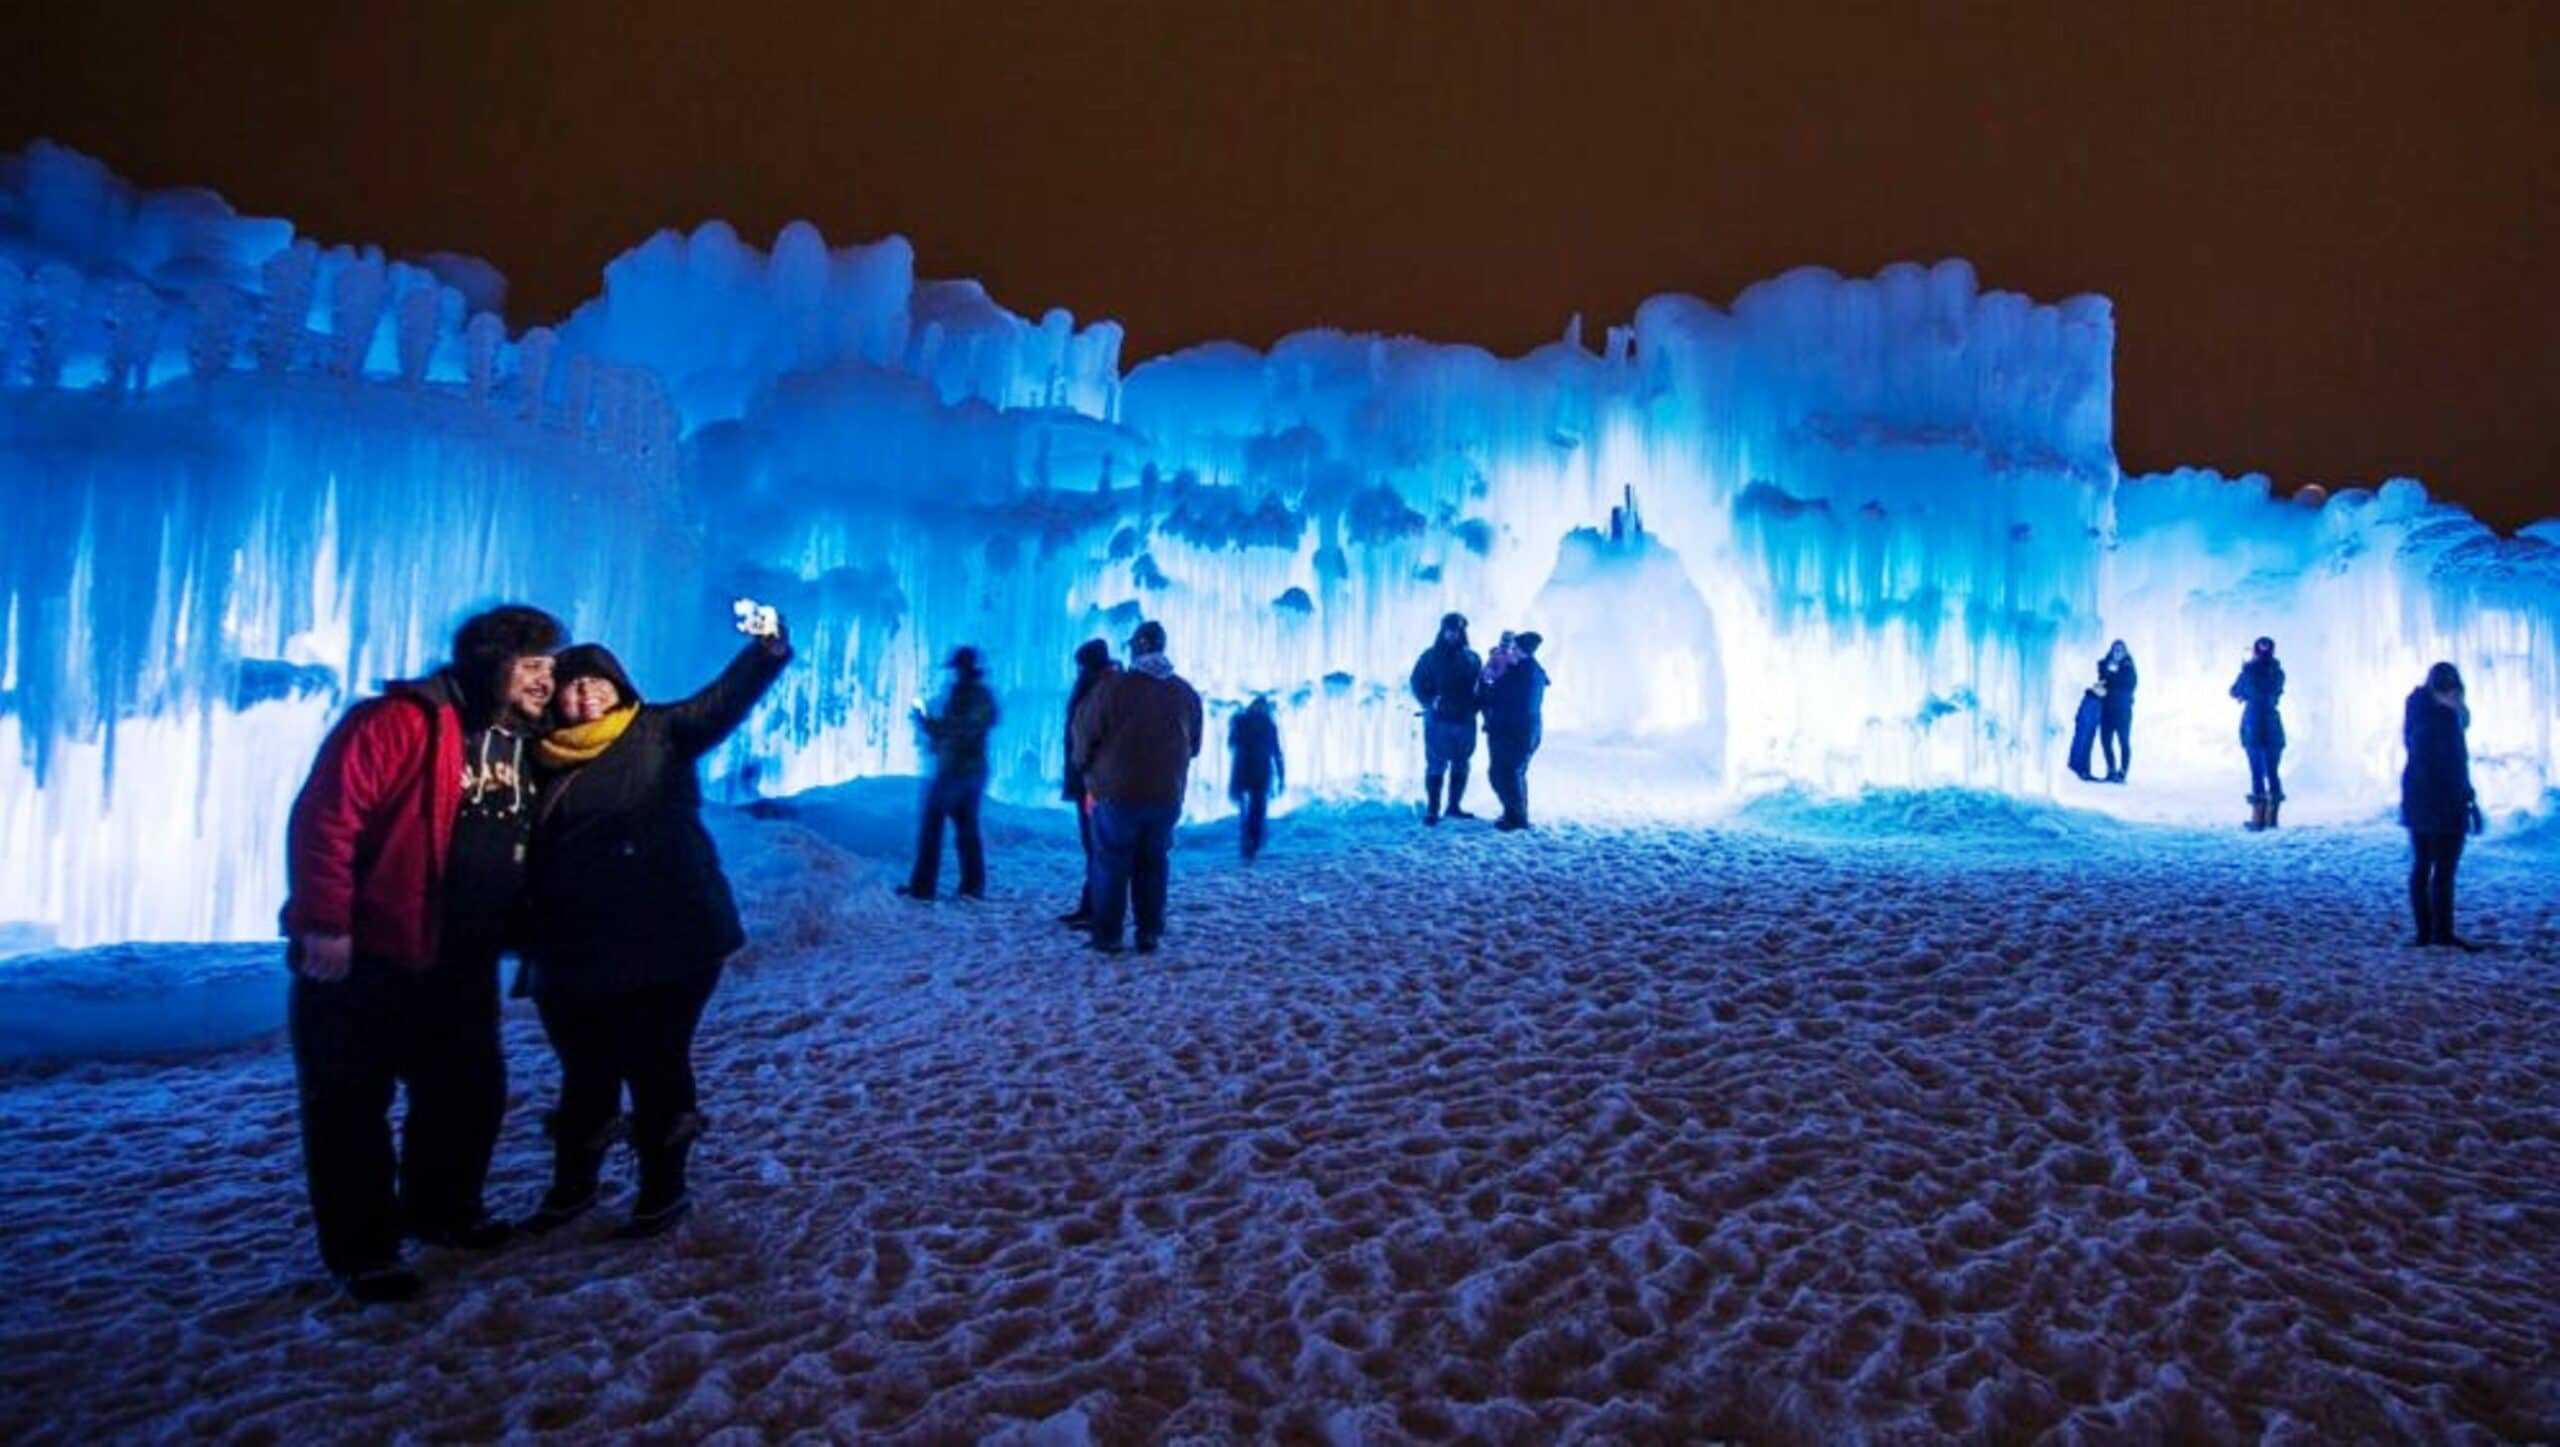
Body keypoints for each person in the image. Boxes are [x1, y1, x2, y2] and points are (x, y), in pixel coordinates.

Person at [280, 603, 563, 1303]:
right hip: (369, 953)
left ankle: (441, 1210)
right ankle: (366, 1252)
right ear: (490, 663)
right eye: (532, 666)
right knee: (351, 1104)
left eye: (551, 667)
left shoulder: (521, 741)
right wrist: (325, 922)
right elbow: (326, 817)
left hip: (460, 958)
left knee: (468, 1091)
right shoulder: (397, 723)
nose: (546, 681)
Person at [517, 622, 792, 1238]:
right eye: (572, 686)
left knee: (655, 1061)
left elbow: (723, 701)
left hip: (671, 936)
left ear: (619, 687)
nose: (586, 696)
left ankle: (661, 1190)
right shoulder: (535, 757)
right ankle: (573, 1187)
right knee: (586, 1068)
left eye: (597, 683)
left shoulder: (661, 731)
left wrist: (767, 650)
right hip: (573, 944)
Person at [1070, 619, 1203, 953]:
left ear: (1137, 648)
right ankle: (1149, 932)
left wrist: (1084, 768)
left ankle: (1109, 935)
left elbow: (1085, 733)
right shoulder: (1184, 692)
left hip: (1117, 794)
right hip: (1166, 795)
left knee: (1112, 864)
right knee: (1153, 863)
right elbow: (1196, 744)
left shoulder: (1114, 688)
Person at [900, 646, 1000, 902]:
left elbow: (960, 729)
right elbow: (964, 728)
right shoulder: (975, 694)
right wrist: (929, 724)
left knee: (933, 826)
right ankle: (971, 886)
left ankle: (923, 888)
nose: (954, 673)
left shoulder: (972, 695)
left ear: (964, 668)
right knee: (966, 828)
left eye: (956, 668)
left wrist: (929, 724)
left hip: (957, 771)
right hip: (969, 771)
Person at [2402, 661, 2483, 950]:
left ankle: (2429, 932)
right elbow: (2447, 764)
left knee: (2426, 866)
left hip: (2423, 801)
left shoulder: (2422, 712)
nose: (2453, 695)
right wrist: (2461, 796)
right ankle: (2437, 933)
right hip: (2439, 803)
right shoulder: (2438, 719)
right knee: (2440, 869)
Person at [1058, 640, 1119, 926]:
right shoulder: (1101, 686)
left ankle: (1098, 910)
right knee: (1095, 846)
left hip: (1094, 781)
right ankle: (1091, 905)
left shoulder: (1101, 689)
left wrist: (1082, 767)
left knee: (1098, 845)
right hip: (1089, 778)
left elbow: (1088, 735)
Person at [1409, 612, 1483, 825]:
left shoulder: (1472, 658)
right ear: (1442, 631)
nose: (1453, 634)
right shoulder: (1430, 657)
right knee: (1436, 763)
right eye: (1450, 630)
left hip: (1465, 719)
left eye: (1458, 630)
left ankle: (1454, 806)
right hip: (1438, 720)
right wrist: (1429, 701)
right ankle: (1433, 809)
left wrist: (1478, 706)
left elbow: (1481, 687)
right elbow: (1416, 682)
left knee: (1461, 763)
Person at [1478, 631, 1551, 830]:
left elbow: (1510, 699)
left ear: (1522, 651)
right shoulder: (1522, 670)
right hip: (1513, 730)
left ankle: (1517, 818)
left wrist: (1492, 683)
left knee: (1508, 773)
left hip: (1519, 731)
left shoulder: (1527, 673)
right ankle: (1513, 813)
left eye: (1515, 648)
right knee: (1507, 773)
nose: (1511, 651)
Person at [2231, 636, 2287, 829]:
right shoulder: (2277, 672)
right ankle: (2273, 817)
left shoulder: (2249, 671)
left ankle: (2258, 818)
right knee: (2272, 771)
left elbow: (2235, 691)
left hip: (2254, 722)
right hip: (2272, 722)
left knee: (2256, 770)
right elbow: (2275, 692)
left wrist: (2245, 669)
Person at [1227, 695, 1285, 860]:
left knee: (1251, 809)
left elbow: (1232, 744)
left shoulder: (1242, 721)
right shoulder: (1266, 724)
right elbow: (1276, 752)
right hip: (1257, 771)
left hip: (1246, 771)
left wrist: (1281, 776)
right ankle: (1252, 843)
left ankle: (1250, 844)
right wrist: (1281, 776)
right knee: (1256, 809)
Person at [2097, 640, 2137, 783]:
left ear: (2125, 652)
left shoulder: (2129, 667)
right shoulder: (2105, 665)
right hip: (2107, 710)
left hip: (2123, 711)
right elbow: (2102, 682)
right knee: (2105, 740)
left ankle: (2123, 772)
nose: (2117, 653)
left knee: (2123, 741)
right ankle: (2111, 769)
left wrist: (2113, 674)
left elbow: (2128, 684)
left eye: (2120, 650)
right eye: (2115, 650)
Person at [2066, 679, 2105, 782]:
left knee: (2087, 742)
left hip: (2094, 710)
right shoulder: (2090, 699)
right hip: (2088, 711)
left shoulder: (2097, 701)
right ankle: (2077, 767)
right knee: (2082, 740)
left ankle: (2084, 769)